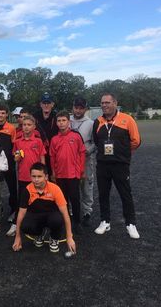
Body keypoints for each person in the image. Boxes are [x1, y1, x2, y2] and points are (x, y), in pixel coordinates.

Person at [93, 93, 141, 239]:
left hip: (120, 164)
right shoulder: (98, 121)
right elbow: (96, 141)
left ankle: (130, 223)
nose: (104, 105)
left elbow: (136, 141)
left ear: (115, 103)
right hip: (102, 164)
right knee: (103, 194)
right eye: (102, 103)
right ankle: (105, 221)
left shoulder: (127, 119)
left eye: (107, 102)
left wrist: (122, 153)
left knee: (125, 194)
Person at [12, 163, 76, 254]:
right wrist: (17, 237)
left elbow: (65, 214)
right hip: (36, 215)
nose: (36, 180)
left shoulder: (55, 189)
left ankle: (54, 237)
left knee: (57, 220)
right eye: (33, 176)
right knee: (25, 226)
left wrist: (69, 237)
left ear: (46, 177)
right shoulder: (27, 190)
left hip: (51, 215)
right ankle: (40, 233)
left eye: (39, 176)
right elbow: (21, 213)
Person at [49, 111, 86, 234]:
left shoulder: (76, 136)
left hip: (73, 174)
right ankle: (65, 221)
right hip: (60, 175)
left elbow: (82, 153)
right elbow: (52, 157)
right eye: (59, 121)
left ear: (68, 122)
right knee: (62, 200)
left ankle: (77, 222)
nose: (61, 123)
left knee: (75, 199)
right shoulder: (54, 139)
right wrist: (53, 173)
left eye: (63, 120)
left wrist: (81, 170)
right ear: (56, 123)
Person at [11, 115, 47, 236]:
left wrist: (44, 174)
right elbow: (15, 158)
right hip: (23, 177)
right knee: (22, 201)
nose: (26, 127)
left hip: (37, 178)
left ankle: (39, 223)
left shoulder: (38, 141)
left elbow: (42, 157)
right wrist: (17, 157)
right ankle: (16, 224)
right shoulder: (18, 141)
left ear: (34, 127)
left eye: (29, 125)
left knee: (38, 200)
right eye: (24, 125)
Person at [0, 105, 18, 229]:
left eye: (3, 113)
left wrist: (13, 159)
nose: (0, 115)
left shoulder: (11, 128)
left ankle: (13, 210)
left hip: (8, 163)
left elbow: (14, 146)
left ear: (7, 115)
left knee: (12, 188)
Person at [70, 97, 96, 226]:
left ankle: (87, 212)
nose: (78, 110)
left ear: (85, 109)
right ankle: (70, 210)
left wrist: (88, 150)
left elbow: (95, 142)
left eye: (81, 108)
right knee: (70, 185)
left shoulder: (91, 123)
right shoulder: (67, 120)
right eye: (76, 107)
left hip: (85, 159)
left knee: (86, 184)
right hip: (69, 160)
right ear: (73, 107)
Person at [34, 93, 59, 176]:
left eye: (48, 103)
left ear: (52, 104)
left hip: (53, 152)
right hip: (38, 151)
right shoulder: (34, 116)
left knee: (53, 176)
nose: (46, 105)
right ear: (40, 104)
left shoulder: (57, 117)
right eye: (44, 103)